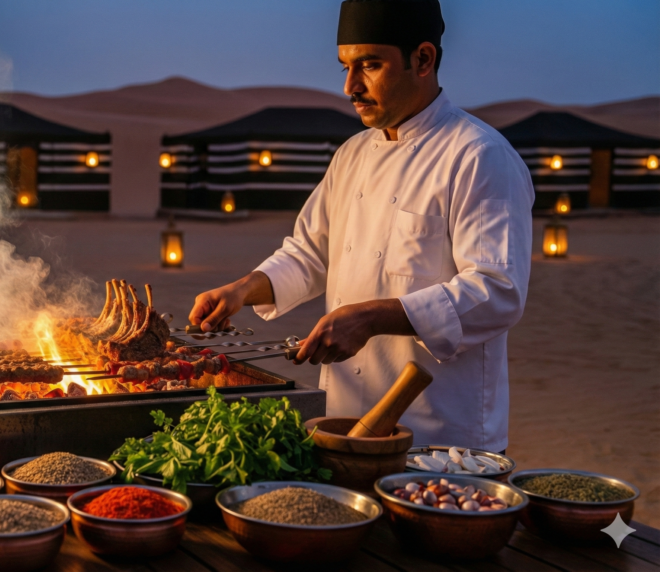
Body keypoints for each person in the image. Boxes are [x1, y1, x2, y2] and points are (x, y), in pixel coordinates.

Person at [188, 0, 532, 452]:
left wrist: (370, 318)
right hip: (344, 424)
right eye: (345, 67)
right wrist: (243, 289)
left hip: (441, 438)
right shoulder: (351, 154)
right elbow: (310, 253)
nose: (350, 86)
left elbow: (497, 291)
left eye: (370, 65)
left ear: (423, 59)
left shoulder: (479, 155)